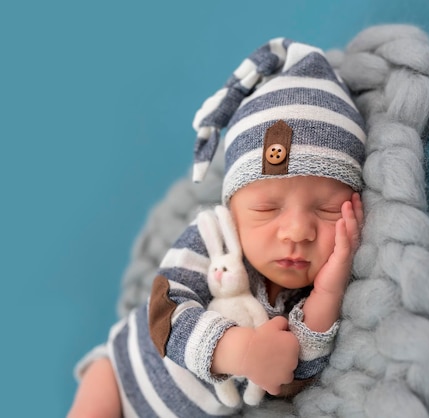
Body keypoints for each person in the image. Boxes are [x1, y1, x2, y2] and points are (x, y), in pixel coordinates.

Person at [68, 37, 366, 417]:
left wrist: (328, 291)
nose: (296, 231)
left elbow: (295, 373)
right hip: (119, 374)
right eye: (267, 207)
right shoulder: (214, 235)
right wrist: (241, 351)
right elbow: (164, 310)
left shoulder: (303, 298)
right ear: (232, 205)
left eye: (325, 210)